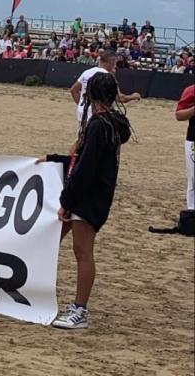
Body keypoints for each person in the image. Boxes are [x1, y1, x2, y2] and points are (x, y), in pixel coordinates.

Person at [39, 73, 132, 329]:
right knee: (51, 238)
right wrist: (55, 158)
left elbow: (86, 168)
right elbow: (84, 160)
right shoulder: (111, 123)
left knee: (82, 252)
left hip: (90, 197)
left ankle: (80, 310)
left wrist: (66, 202)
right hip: (96, 193)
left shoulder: (99, 125)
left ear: (90, 95)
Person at [70, 50, 141, 128]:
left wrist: (82, 105)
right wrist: (134, 96)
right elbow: (120, 98)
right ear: (111, 62)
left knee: (83, 137)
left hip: (83, 112)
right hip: (99, 115)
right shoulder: (108, 76)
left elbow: (74, 90)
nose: (115, 66)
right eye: (115, 63)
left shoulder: (87, 72)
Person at [177, 83, 195, 210]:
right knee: (193, 180)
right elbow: (179, 115)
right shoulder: (191, 90)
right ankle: (192, 211)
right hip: (193, 141)